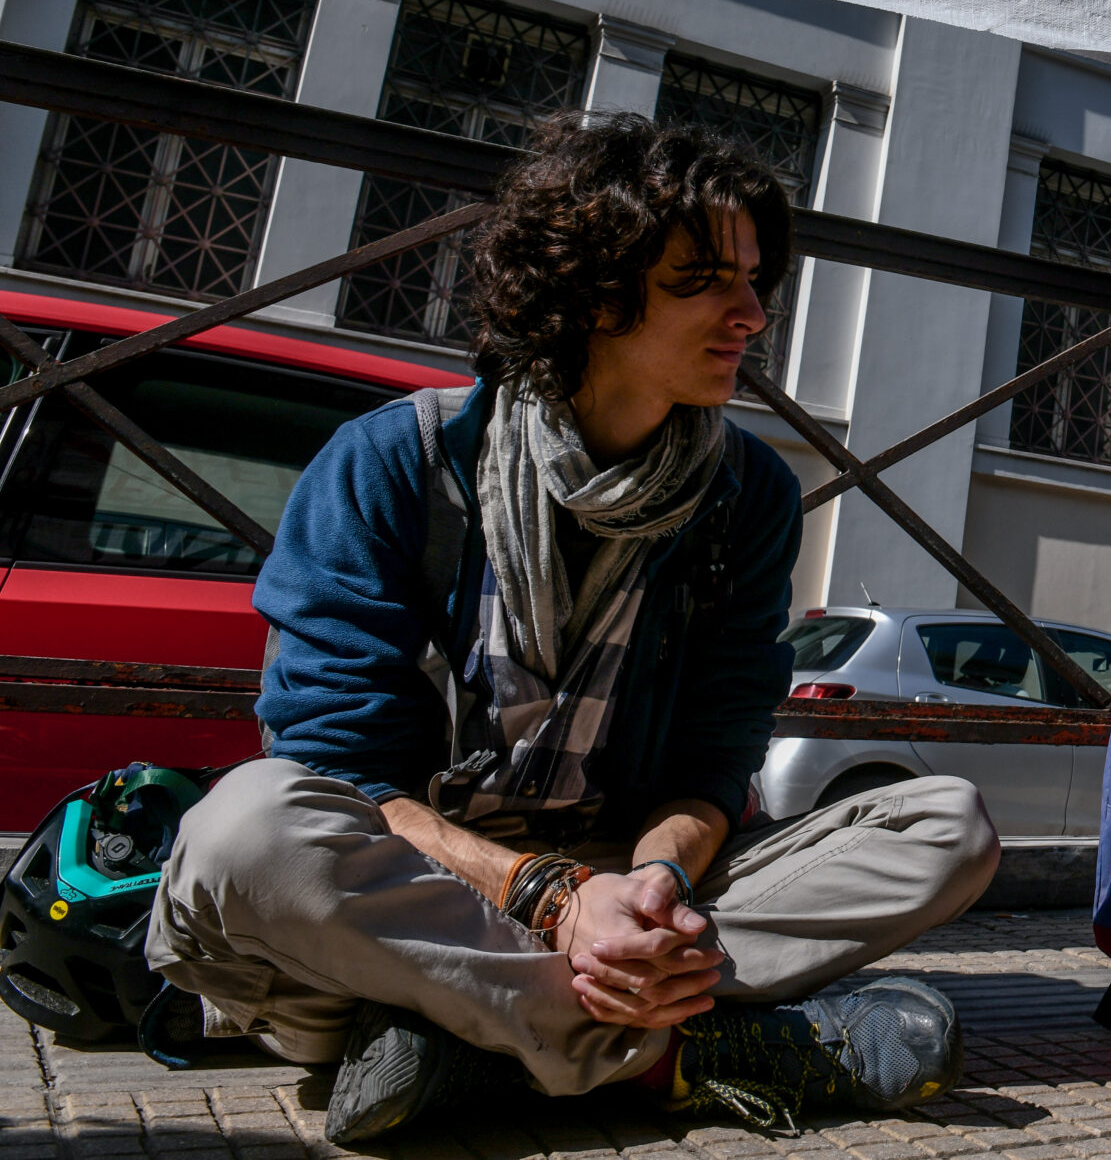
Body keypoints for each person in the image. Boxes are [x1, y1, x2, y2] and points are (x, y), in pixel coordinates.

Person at [145, 113, 1001, 1140]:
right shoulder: (393, 464)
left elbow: (713, 758)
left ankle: (473, 1033)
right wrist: (554, 900)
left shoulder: (746, 497)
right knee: (245, 831)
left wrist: (643, 886)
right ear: (593, 291)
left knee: (943, 826)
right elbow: (346, 777)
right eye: (705, 281)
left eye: (755, 282)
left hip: (615, 872)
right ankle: (675, 1054)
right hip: (420, 879)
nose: (751, 316)